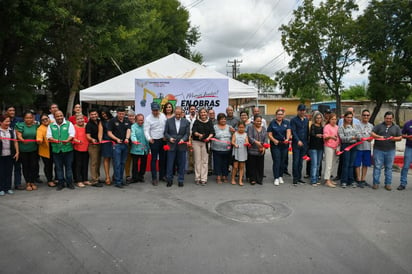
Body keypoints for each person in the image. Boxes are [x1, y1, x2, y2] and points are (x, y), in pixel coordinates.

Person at [371, 111, 402, 190]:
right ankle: (375, 183)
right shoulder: (379, 126)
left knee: (389, 167)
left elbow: (400, 137)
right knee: (377, 167)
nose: (388, 120)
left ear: (393, 118)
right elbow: (372, 133)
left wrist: (393, 138)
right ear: (384, 118)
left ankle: (388, 184)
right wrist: (379, 136)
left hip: (390, 150)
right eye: (387, 118)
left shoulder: (396, 127)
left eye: (390, 118)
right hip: (378, 150)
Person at [47, 110, 75, 191]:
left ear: (63, 116)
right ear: (54, 117)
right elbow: (48, 136)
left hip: (68, 150)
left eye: (61, 115)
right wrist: (53, 139)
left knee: (68, 167)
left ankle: (69, 182)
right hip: (56, 150)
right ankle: (61, 183)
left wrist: (67, 140)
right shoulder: (51, 125)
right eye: (57, 116)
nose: (59, 117)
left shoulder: (69, 124)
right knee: (58, 168)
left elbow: (72, 134)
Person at [164, 107, 190, 187]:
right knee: (170, 163)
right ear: (174, 112)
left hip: (182, 145)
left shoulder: (186, 122)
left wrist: (183, 139)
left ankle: (181, 180)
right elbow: (165, 133)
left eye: (180, 114)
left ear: (182, 113)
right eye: (177, 114)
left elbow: (187, 133)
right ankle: (169, 180)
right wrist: (169, 138)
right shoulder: (168, 121)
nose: (178, 116)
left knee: (181, 163)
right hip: (171, 144)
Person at [15, 111, 39, 191]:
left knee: (34, 166)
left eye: (30, 118)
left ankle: (32, 181)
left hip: (34, 149)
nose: (29, 119)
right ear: (24, 118)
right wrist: (22, 139)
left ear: (33, 118)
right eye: (27, 118)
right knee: (26, 166)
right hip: (23, 150)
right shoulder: (20, 125)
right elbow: (18, 135)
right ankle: (28, 182)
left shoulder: (36, 125)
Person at [107, 107, 131, 188]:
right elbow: (109, 133)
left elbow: (128, 130)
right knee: (117, 163)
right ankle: (117, 181)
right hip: (116, 145)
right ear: (117, 113)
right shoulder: (112, 121)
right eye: (120, 114)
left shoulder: (127, 120)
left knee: (123, 163)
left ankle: (121, 179)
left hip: (125, 144)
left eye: (123, 114)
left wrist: (127, 138)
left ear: (125, 113)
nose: (121, 115)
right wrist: (116, 139)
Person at [144, 102, 167, 186]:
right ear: (151, 110)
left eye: (156, 110)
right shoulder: (148, 118)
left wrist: (166, 136)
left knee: (162, 159)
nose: (155, 112)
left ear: (159, 110)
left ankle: (162, 176)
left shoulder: (163, 116)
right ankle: (154, 178)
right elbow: (146, 130)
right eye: (153, 110)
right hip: (154, 141)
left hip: (163, 140)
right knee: (153, 159)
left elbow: (166, 127)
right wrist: (149, 139)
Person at [267, 108, 291, 186]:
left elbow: (288, 131)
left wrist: (287, 138)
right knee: (277, 160)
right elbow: (269, 134)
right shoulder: (272, 123)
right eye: (278, 114)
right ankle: (276, 177)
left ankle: (280, 176)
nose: (280, 116)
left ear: (283, 115)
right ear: (276, 115)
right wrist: (274, 140)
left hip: (284, 144)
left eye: (281, 114)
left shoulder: (286, 122)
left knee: (282, 161)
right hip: (275, 145)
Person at [191, 108, 215, 185]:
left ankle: (204, 178)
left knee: (205, 161)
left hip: (206, 142)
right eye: (201, 112)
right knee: (197, 160)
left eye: (204, 112)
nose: (203, 114)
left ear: (207, 113)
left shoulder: (209, 122)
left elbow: (212, 132)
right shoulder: (196, 121)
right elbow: (193, 131)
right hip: (197, 142)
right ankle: (197, 178)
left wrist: (208, 138)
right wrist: (199, 135)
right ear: (199, 114)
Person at [338, 111, 360, 188]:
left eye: (351, 117)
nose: (349, 119)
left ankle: (351, 180)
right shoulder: (341, 127)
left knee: (351, 164)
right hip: (346, 146)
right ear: (344, 117)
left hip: (354, 146)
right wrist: (351, 138)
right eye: (348, 117)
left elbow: (358, 134)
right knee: (346, 164)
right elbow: (342, 138)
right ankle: (344, 181)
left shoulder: (354, 126)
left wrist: (360, 137)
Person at [5, 105, 23, 190]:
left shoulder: (19, 120)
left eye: (13, 110)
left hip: (17, 146)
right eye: (10, 110)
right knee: (6, 168)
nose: (12, 112)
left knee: (17, 166)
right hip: (5, 148)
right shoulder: (3, 120)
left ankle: (18, 183)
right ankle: (5, 185)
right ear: (6, 112)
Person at [290, 104, 309, 185]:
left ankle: (299, 177)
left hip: (304, 143)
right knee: (296, 161)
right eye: (301, 110)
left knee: (301, 161)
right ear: (298, 111)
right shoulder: (293, 120)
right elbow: (293, 131)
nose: (302, 112)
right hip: (296, 143)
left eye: (304, 110)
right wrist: (297, 140)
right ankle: (295, 178)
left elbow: (307, 131)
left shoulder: (306, 120)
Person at [0, 115, 19, 196]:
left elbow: (15, 142)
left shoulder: (11, 130)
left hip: (10, 154)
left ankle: (8, 187)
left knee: (9, 172)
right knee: (1, 172)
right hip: (1, 155)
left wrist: (17, 152)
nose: (8, 123)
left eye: (9, 121)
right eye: (6, 121)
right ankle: (1, 188)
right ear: (1, 122)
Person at [354, 109, 374, 188]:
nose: (366, 116)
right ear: (362, 116)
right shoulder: (357, 125)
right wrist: (363, 138)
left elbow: (372, 136)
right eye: (364, 115)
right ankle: (358, 179)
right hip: (359, 147)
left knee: (366, 164)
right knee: (358, 164)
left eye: (367, 115)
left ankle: (363, 179)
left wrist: (370, 139)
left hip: (367, 148)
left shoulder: (371, 125)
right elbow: (357, 135)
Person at [211, 113, 232, 184]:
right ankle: (218, 177)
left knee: (225, 163)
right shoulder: (214, 127)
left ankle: (225, 176)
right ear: (218, 120)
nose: (223, 120)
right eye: (221, 119)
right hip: (216, 148)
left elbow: (233, 135)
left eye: (224, 119)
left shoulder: (229, 127)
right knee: (217, 163)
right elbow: (212, 136)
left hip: (227, 149)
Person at [247, 115, 267, 185]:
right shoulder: (250, 127)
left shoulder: (264, 128)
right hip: (252, 149)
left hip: (261, 150)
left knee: (260, 166)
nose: (259, 122)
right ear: (254, 121)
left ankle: (259, 179)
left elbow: (266, 139)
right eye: (257, 121)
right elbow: (249, 137)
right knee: (252, 165)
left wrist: (264, 147)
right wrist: (257, 143)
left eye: (260, 121)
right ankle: (252, 179)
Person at [36, 113, 55, 187]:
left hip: (55, 148)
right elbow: (39, 137)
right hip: (46, 150)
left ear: (49, 118)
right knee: (48, 166)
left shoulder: (53, 124)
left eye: (46, 119)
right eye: (43, 120)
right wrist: (39, 140)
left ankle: (57, 178)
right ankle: (49, 180)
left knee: (57, 165)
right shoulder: (40, 128)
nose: (45, 121)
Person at [86, 109, 103, 187]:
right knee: (94, 163)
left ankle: (97, 177)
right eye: (92, 114)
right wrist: (92, 139)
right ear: (89, 115)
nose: (94, 116)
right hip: (93, 145)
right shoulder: (89, 124)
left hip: (100, 144)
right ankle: (94, 180)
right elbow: (87, 135)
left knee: (98, 162)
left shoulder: (99, 122)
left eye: (95, 114)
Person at [130, 114, 149, 183]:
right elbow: (133, 135)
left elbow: (147, 137)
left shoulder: (145, 126)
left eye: (142, 120)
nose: (141, 121)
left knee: (143, 164)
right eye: (139, 120)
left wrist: (148, 147)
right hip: (136, 148)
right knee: (135, 164)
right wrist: (134, 140)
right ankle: (134, 177)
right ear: (136, 120)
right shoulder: (133, 126)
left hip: (144, 149)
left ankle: (141, 176)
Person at [307, 111, 324, 186]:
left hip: (320, 147)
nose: (319, 119)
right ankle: (313, 179)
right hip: (313, 147)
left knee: (318, 164)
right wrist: (317, 135)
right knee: (314, 164)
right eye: (317, 118)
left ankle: (316, 178)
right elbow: (312, 134)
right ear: (315, 118)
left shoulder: (323, 126)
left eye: (320, 118)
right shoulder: (313, 126)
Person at [323, 113, 339, 188]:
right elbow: (325, 137)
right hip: (329, 146)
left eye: (335, 119)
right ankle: (327, 180)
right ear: (329, 120)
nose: (334, 121)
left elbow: (338, 137)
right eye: (332, 119)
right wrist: (331, 137)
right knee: (328, 164)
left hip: (336, 147)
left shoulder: (337, 127)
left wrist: (338, 147)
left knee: (333, 164)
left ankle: (329, 177)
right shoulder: (327, 127)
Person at [73, 114, 90, 188]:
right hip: (77, 148)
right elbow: (72, 137)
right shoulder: (74, 127)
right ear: (76, 120)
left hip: (86, 148)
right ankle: (78, 180)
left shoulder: (87, 126)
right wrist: (79, 141)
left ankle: (85, 179)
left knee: (85, 164)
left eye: (81, 119)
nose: (80, 120)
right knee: (78, 165)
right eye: (78, 119)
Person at [231, 121, 249, 186]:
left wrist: (247, 143)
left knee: (241, 167)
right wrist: (235, 144)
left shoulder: (245, 134)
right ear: (237, 127)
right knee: (235, 167)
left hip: (243, 152)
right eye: (240, 127)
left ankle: (240, 180)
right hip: (236, 152)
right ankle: (233, 179)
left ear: (244, 128)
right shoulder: (235, 134)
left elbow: (247, 141)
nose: (241, 129)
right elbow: (232, 141)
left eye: (242, 127)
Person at [99, 108, 113, 185]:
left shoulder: (114, 120)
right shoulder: (102, 122)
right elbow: (100, 133)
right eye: (102, 114)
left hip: (115, 142)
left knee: (115, 160)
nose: (104, 115)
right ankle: (107, 177)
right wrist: (100, 142)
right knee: (106, 159)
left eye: (105, 113)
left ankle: (115, 175)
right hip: (106, 142)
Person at [398, 119, 412, 190]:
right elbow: (401, 134)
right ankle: (403, 183)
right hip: (409, 148)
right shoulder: (407, 124)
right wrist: (408, 137)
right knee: (406, 166)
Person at [125, 110, 136, 183]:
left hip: (135, 145)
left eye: (132, 116)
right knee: (127, 160)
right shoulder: (125, 123)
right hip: (128, 144)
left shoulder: (137, 123)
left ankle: (135, 175)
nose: (131, 117)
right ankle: (127, 175)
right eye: (129, 116)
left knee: (135, 161)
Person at [185, 105, 197, 174]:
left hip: (195, 137)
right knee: (189, 153)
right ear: (189, 110)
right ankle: (190, 168)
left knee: (195, 153)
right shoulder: (186, 117)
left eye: (194, 109)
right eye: (191, 109)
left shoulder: (197, 117)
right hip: (188, 137)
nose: (192, 110)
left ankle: (196, 167)